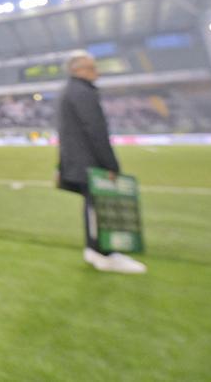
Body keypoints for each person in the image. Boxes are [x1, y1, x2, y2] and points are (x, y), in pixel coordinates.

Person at [56, 51, 146, 274]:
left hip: (78, 160)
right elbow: (95, 130)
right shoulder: (82, 92)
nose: (97, 72)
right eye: (92, 68)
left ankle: (95, 250)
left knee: (93, 206)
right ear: (78, 70)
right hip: (89, 162)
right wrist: (110, 165)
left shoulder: (70, 91)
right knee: (97, 208)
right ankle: (103, 255)